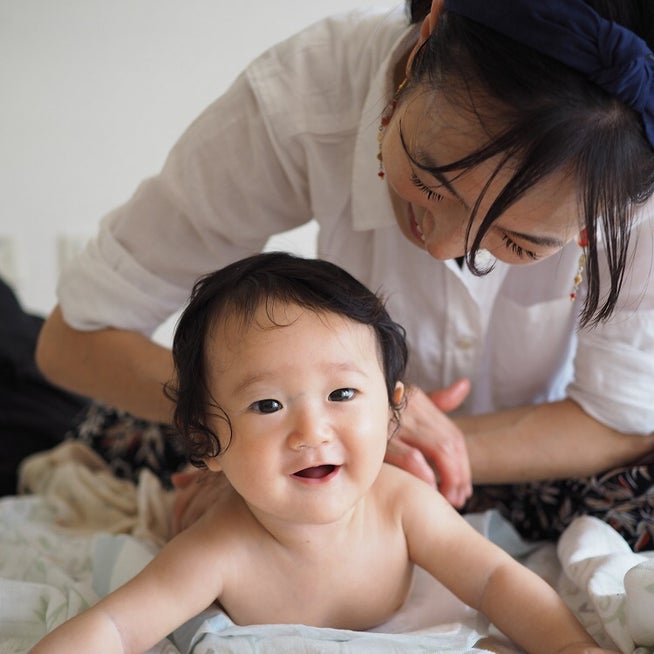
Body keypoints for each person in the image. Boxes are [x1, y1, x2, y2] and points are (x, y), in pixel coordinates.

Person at [34, 0, 654, 549]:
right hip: (292, 432)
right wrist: (311, 434)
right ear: (430, 27)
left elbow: (624, 416)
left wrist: (371, 445)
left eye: (520, 242)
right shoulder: (302, 94)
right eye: (429, 179)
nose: (441, 246)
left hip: (525, 454)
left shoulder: (639, 193)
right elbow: (73, 343)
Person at [29, 252, 616, 654]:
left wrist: (568, 645)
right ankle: (203, 479)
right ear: (206, 440)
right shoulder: (217, 548)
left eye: (341, 394)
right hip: (213, 494)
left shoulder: (401, 506)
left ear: (392, 413)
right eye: (267, 405)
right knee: (181, 494)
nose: (312, 431)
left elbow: (494, 580)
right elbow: (114, 626)